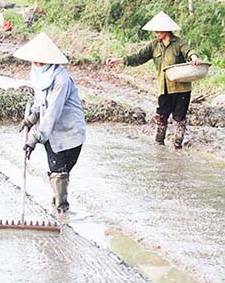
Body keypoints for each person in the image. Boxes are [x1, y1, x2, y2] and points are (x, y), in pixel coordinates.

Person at [14, 33, 86, 214]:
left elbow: (53, 111)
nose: (37, 63)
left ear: (50, 60)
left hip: (70, 131)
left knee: (62, 173)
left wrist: (35, 137)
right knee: (58, 172)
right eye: (35, 60)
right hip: (51, 133)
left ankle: (58, 203)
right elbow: (41, 103)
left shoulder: (61, 79)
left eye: (41, 60)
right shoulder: (38, 75)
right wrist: (31, 118)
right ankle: (62, 210)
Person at [106, 12, 201, 149]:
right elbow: (138, 57)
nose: (156, 32)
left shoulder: (178, 43)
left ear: (167, 29)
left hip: (181, 88)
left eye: (158, 29)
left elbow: (189, 51)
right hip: (164, 88)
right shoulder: (154, 45)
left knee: (179, 118)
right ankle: (159, 145)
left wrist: (194, 58)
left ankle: (177, 145)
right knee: (161, 116)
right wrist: (119, 60)